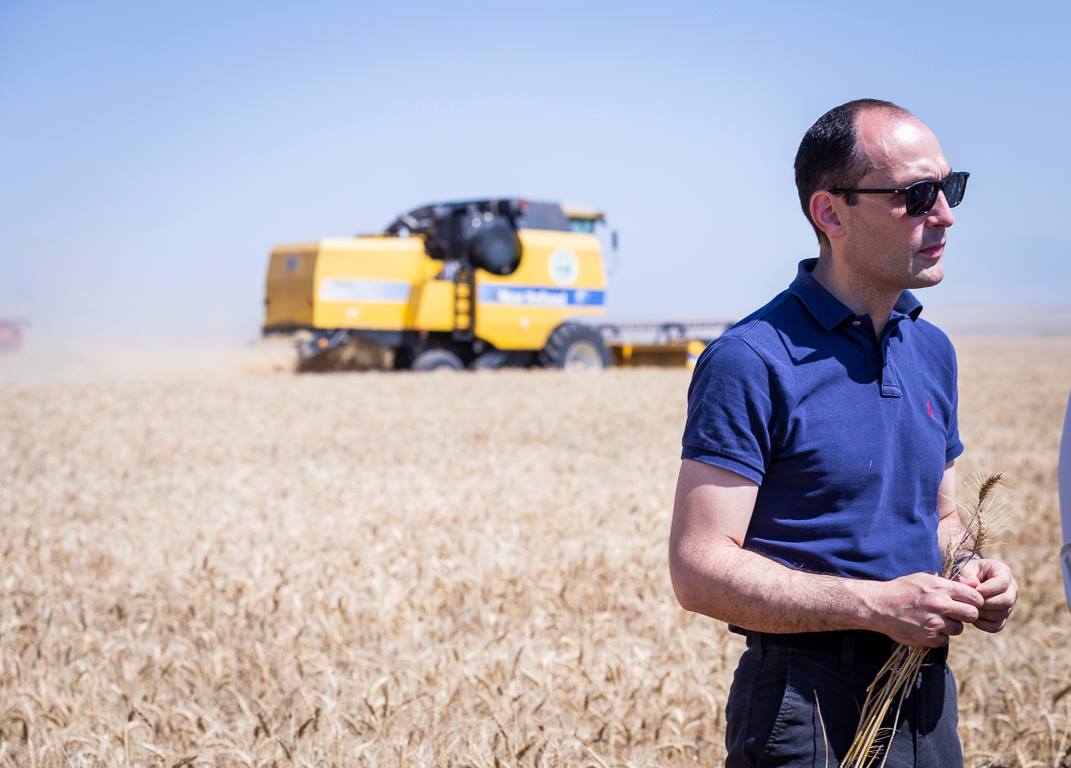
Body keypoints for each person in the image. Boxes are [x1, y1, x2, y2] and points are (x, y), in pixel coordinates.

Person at [668, 99, 1019, 766]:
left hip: (924, 694)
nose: (945, 214)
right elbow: (698, 569)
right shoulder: (751, 359)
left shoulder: (932, 351)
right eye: (917, 195)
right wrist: (872, 605)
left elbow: (940, 518)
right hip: (804, 705)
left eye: (950, 187)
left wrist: (972, 571)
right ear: (830, 213)